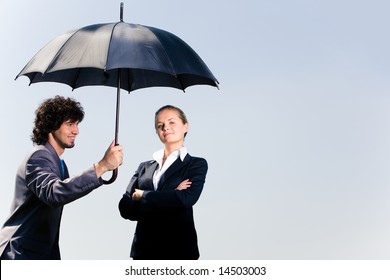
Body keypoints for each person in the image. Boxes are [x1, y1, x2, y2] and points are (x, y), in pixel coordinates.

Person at [0, 95, 123, 260]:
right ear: (51, 125)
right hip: (19, 252)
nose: (76, 131)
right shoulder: (39, 156)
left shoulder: (60, 164)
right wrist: (102, 166)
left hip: (41, 253)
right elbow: (54, 193)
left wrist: (105, 170)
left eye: (77, 124)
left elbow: (66, 190)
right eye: (70, 124)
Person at [119, 105, 208, 260]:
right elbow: (125, 207)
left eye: (171, 122)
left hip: (179, 250)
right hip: (144, 251)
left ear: (185, 126)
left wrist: (143, 196)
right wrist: (171, 195)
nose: (166, 127)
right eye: (160, 125)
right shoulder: (144, 167)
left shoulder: (196, 164)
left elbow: (186, 199)